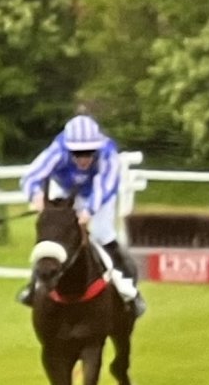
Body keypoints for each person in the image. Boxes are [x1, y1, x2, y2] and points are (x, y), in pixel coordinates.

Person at [18, 113, 145, 313]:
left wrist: (88, 212)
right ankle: (34, 286)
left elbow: (104, 186)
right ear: (69, 149)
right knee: (54, 235)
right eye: (77, 153)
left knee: (102, 233)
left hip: (99, 194)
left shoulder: (107, 153)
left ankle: (128, 288)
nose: (84, 158)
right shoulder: (58, 149)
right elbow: (31, 177)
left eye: (89, 152)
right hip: (66, 190)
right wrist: (36, 196)